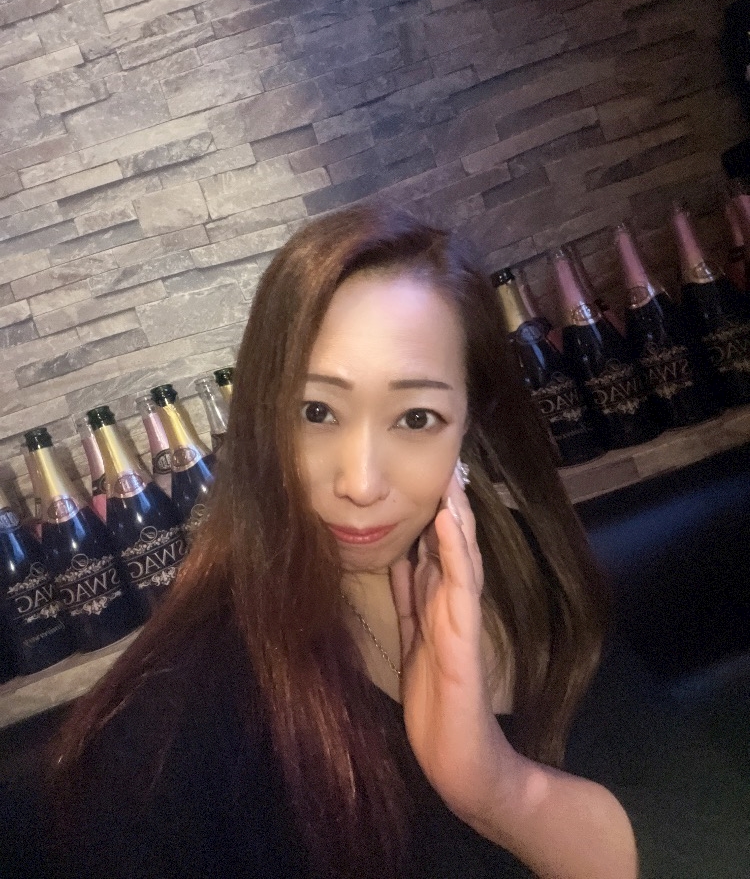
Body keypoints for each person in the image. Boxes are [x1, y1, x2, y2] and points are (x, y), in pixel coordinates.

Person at [41, 205, 637, 879]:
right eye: (317, 411)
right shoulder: (163, 738)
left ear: (468, 424)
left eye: (417, 417)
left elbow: (685, 822)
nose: (359, 484)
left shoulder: (536, 572)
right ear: (264, 419)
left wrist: (498, 789)